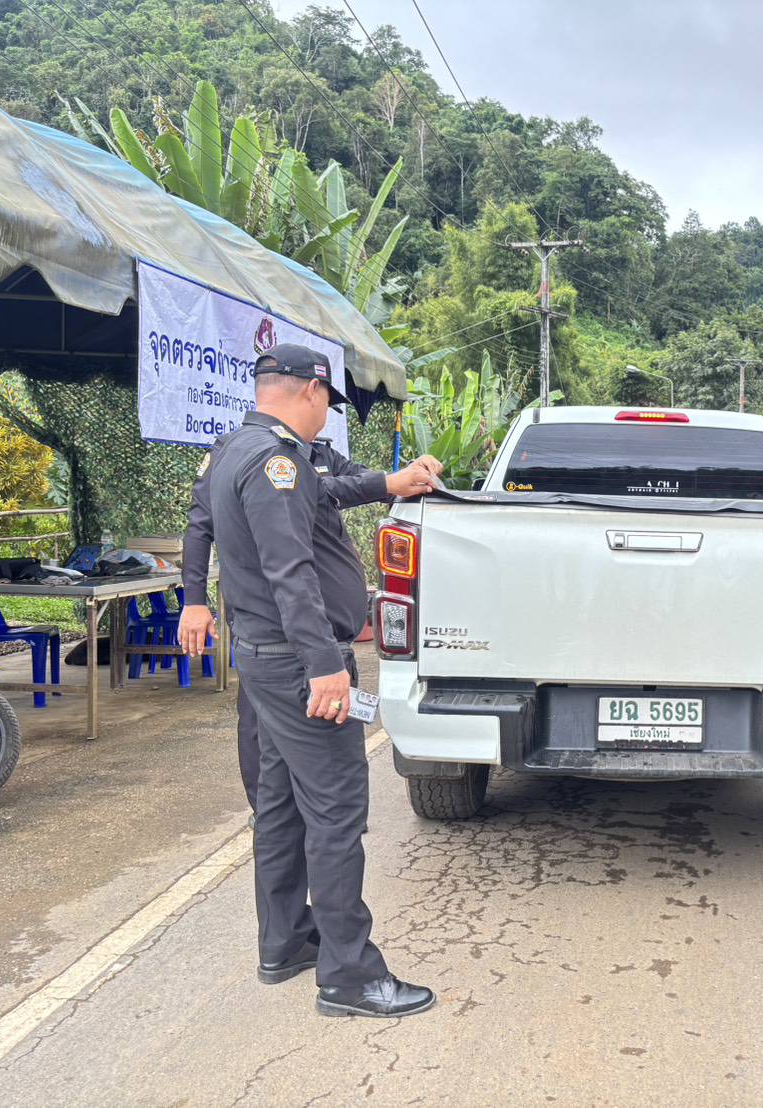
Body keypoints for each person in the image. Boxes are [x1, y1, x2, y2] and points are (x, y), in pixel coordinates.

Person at [200, 342, 435, 1017]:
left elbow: (315, 507)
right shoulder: (276, 462)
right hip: (299, 662)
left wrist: (388, 483)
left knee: (279, 805)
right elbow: (290, 572)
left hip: (267, 660)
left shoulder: (236, 450)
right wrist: (326, 667)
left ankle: (285, 942)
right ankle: (350, 977)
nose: (326, 415)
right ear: (309, 390)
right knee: (335, 811)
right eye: (327, 402)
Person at [179, 422, 442, 821]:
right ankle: (268, 815)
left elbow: (361, 480)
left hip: (324, 634)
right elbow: (202, 526)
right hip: (273, 636)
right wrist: (194, 601)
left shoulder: (320, 453)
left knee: (318, 754)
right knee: (261, 737)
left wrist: (406, 477)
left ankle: (298, 822)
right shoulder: (250, 455)